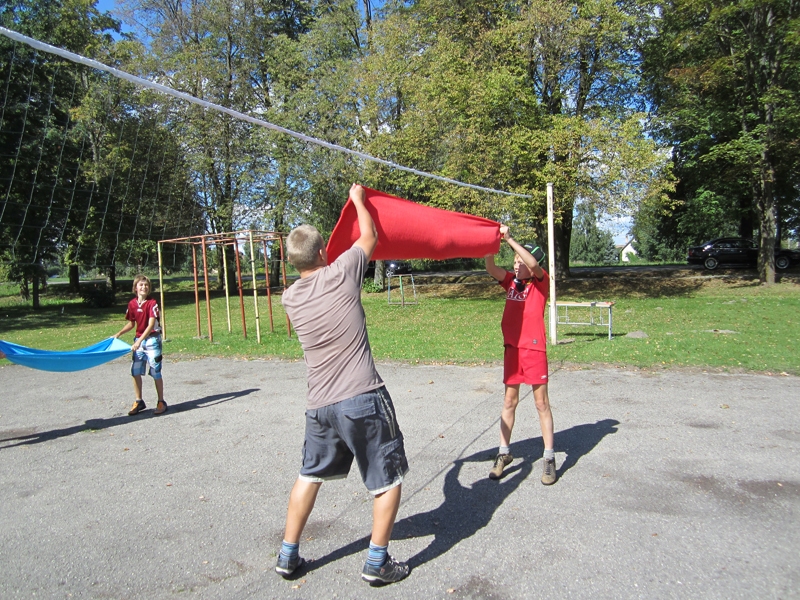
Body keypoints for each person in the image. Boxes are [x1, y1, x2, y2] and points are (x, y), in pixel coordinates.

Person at [275, 183, 410, 586]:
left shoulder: (289, 299)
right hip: (361, 398)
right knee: (387, 479)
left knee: (309, 475)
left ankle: (287, 554)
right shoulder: (344, 270)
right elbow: (370, 236)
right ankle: (376, 562)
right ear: (322, 253)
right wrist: (358, 201)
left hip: (320, 406)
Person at [484, 226, 557, 485]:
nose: (516, 266)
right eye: (514, 262)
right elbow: (491, 269)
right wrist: (491, 246)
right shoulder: (512, 283)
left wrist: (510, 240)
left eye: (519, 262)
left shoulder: (541, 281)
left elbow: (533, 263)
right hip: (513, 350)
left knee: (541, 404)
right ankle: (504, 453)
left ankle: (549, 458)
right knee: (509, 402)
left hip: (534, 349)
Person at [114, 275, 167, 416]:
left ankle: (161, 401)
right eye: (141, 285)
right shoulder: (132, 304)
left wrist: (138, 341)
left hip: (152, 340)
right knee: (135, 371)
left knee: (155, 371)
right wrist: (118, 334)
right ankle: (139, 401)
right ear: (135, 288)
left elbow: (150, 325)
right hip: (139, 340)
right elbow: (131, 323)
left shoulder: (152, 303)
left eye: (146, 285)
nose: (144, 287)